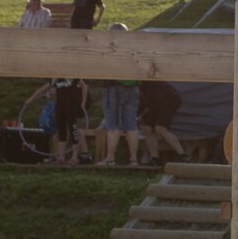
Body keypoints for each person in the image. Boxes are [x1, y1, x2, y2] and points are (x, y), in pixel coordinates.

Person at [96, 24, 143, 166]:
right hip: (133, 89)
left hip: (114, 88)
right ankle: (133, 160)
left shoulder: (112, 48)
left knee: (113, 125)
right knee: (131, 126)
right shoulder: (133, 49)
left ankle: (110, 159)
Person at [24, 78, 88, 164]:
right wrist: (31, 99)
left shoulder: (73, 76)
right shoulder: (56, 79)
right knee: (61, 130)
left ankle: (74, 157)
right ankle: (61, 157)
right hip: (60, 106)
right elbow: (43, 88)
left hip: (72, 106)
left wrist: (82, 103)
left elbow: (84, 86)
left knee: (73, 129)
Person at [139, 80, 186, 164]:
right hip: (155, 104)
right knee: (147, 128)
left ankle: (183, 155)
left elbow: (149, 101)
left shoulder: (154, 83)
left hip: (167, 102)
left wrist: (141, 113)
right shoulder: (143, 84)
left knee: (160, 129)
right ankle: (155, 159)